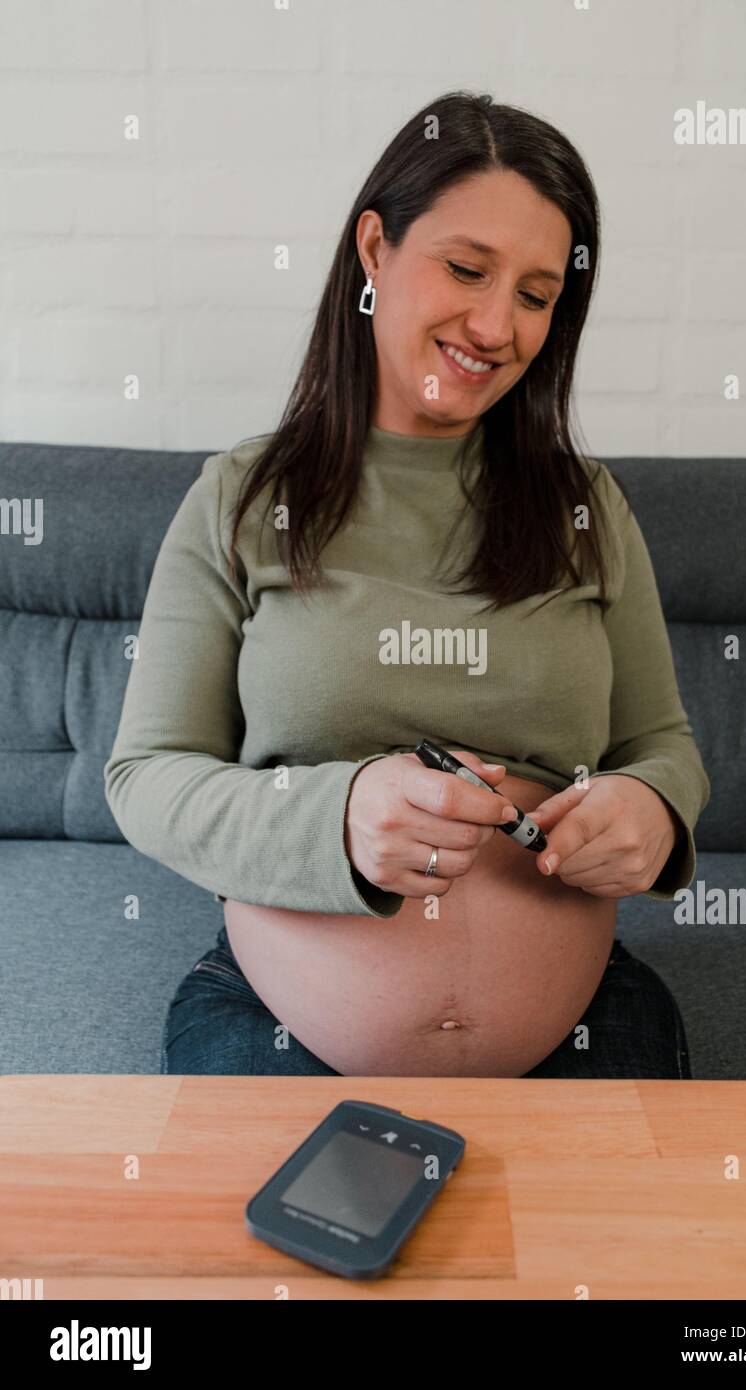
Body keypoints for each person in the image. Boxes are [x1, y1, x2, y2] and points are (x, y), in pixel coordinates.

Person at [104, 90, 710, 1080]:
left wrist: (651, 811)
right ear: (374, 251)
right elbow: (145, 777)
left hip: (584, 1019)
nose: (494, 323)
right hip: (277, 1022)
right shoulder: (242, 498)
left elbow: (659, 745)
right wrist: (333, 816)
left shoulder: (582, 504)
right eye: (466, 269)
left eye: (534, 293)